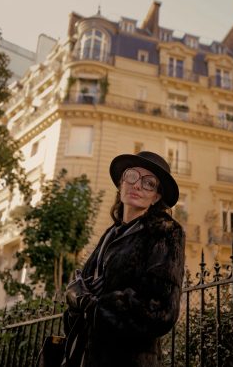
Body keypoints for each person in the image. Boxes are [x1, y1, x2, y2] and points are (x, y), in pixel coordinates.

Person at [62, 151, 186, 367]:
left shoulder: (165, 232)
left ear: (156, 196)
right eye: (131, 176)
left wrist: (93, 305)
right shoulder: (109, 235)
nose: (137, 185)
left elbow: (161, 311)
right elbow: (81, 300)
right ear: (121, 184)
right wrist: (74, 300)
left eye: (149, 183)